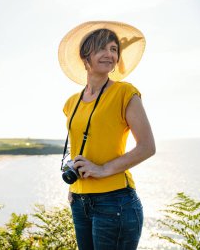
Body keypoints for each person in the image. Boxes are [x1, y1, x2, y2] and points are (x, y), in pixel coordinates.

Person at [58, 21, 156, 250]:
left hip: (116, 202)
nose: (109, 54)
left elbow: (147, 147)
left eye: (113, 49)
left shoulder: (125, 92)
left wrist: (102, 170)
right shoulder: (71, 103)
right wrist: (72, 187)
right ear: (85, 56)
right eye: (101, 48)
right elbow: (81, 147)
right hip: (80, 202)